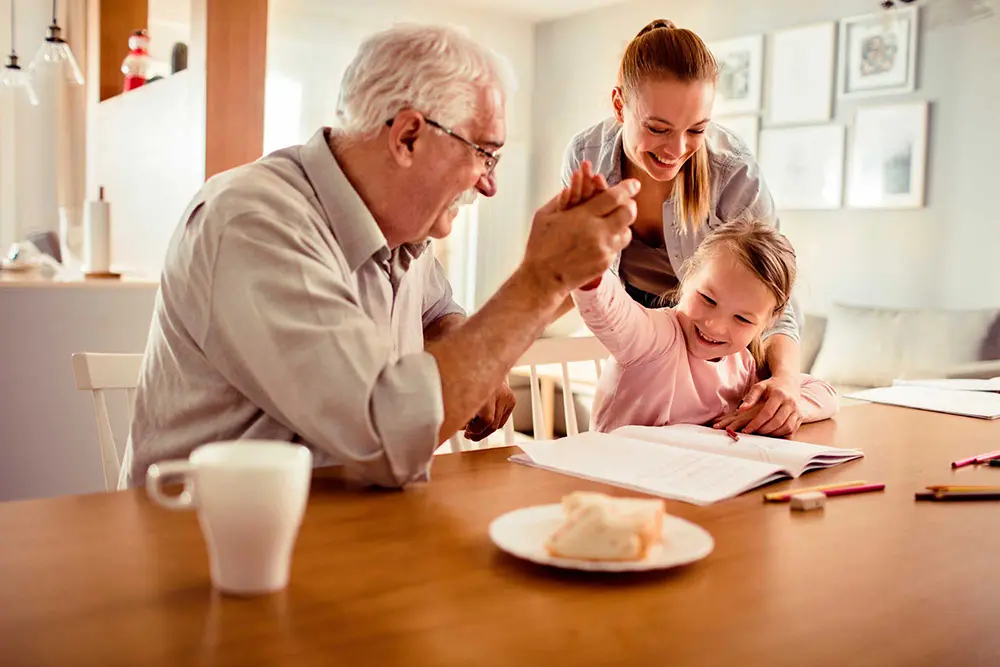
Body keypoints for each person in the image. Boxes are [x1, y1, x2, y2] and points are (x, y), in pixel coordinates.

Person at [122, 24, 640, 489]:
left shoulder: (401, 233)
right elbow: (383, 437)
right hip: (205, 547)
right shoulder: (254, 223)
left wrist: (473, 361)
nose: (489, 184)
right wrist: (543, 278)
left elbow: (440, 314)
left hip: (337, 527)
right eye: (484, 152)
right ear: (408, 136)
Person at [561, 19, 804, 436]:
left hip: (718, 334)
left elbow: (772, 290)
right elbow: (581, 275)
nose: (677, 151)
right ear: (620, 106)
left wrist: (786, 381)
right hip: (644, 324)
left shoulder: (733, 171)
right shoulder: (587, 157)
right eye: (658, 129)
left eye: (696, 130)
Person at [562, 167, 837, 435]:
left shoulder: (744, 364)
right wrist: (588, 259)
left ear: (769, 321)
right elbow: (610, 311)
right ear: (688, 274)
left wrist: (779, 406)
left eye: (742, 318)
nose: (715, 326)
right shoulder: (656, 338)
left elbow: (826, 395)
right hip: (617, 474)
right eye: (707, 298)